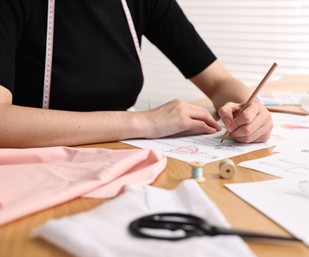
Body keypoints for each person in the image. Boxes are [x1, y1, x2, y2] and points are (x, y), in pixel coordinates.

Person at [0, 0, 273, 148]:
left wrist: (251, 108)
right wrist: (144, 123)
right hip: (34, 158)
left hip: (117, 153)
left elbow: (218, 82)